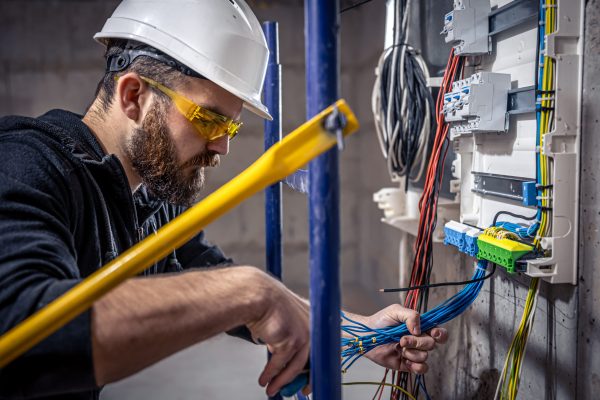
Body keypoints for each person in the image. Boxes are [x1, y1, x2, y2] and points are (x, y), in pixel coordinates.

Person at [0, 0, 448, 399]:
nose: (223, 148)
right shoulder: (26, 165)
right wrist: (251, 291)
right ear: (133, 95)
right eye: (209, 120)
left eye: (229, 128)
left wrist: (352, 330)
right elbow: (24, 331)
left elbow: (211, 276)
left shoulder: (146, 199)